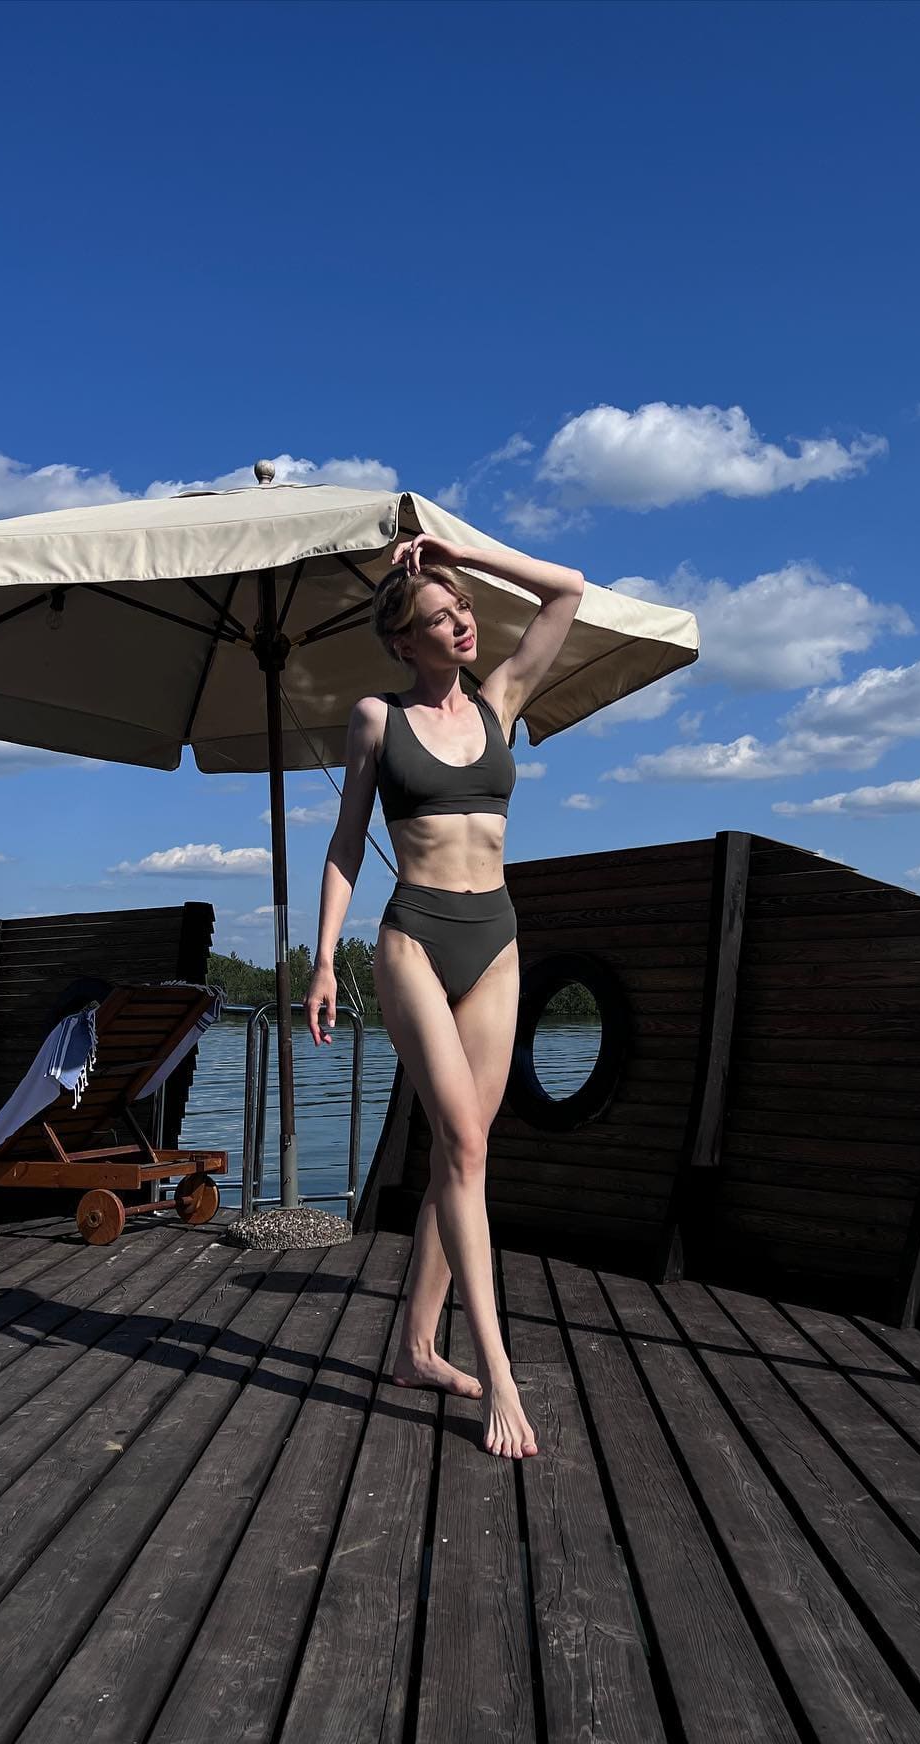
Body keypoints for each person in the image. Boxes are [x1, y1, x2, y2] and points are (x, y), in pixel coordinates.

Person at [304, 531, 584, 1457]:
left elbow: (566, 591)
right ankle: (499, 1371)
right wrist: (322, 960)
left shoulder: (501, 700)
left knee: (462, 1157)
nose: (461, 623)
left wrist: (462, 552)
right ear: (403, 642)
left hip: (496, 941)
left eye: (461, 608)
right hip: (414, 938)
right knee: (463, 1145)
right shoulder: (377, 719)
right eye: (439, 617)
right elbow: (348, 841)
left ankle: (418, 1349)